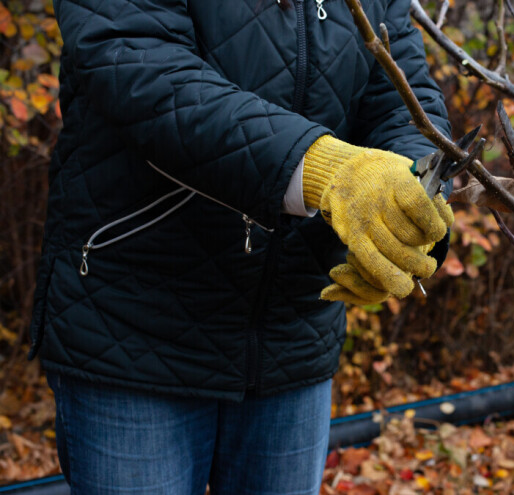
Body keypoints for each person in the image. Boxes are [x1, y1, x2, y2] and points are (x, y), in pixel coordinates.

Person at [27, 0, 453, 493]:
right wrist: (323, 169)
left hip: (293, 332)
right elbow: (139, 68)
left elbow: (403, 97)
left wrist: (406, 207)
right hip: (135, 332)